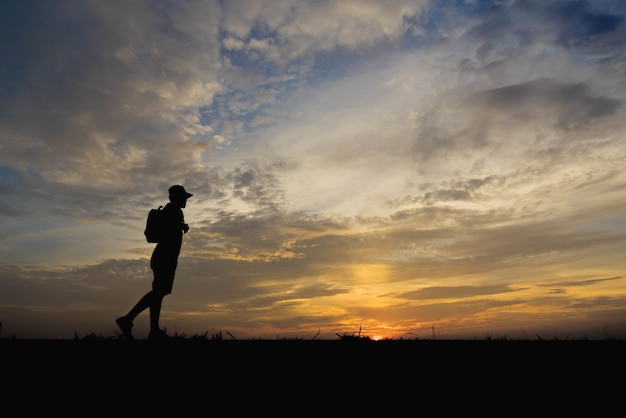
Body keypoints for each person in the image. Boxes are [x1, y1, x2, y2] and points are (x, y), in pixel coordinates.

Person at [116, 184, 193, 341]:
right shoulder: (174, 212)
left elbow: (168, 230)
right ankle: (127, 319)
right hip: (165, 258)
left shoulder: (170, 211)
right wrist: (181, 225)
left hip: (162, 257)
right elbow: (170, 232)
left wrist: (182, 225)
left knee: (159, 294)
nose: (185, 201)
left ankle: (154, 331)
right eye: (182, 198)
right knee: (158, 292)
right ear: (174, 198)